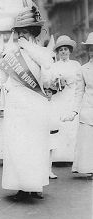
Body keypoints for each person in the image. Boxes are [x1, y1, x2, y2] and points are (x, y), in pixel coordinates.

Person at [0, 5, 54, 200]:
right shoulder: (10, 54)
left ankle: (35, 184)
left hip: (35, 102)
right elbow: (3, 80)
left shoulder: (42, 53)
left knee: (35, 145)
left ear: (33, 33)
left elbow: (47, 79)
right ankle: (20, 186)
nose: (21, 36)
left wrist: (31, 51)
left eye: (26, 32)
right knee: (18, 144)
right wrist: (4, 88)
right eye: (19, 32)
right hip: (16, 103)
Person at [63, 32, 93, 178]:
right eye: (90, 48)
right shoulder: (83, 69)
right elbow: (79, 93)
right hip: (88, 111)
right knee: (87, 143)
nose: (92, 51)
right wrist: (74, 112)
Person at [50, 35, 81, 165]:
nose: (63, 52)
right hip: (59, 98)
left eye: (66, 49)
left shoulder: (76, 64)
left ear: (70, 51)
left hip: (71, 96)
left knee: (72, 126)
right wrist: (56, 83)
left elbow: (79, 83)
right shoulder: (54, 66)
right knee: (60, 124)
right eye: (61, 50)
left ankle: (71, 157)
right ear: (58, 52)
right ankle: (58, 157)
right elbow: (50, 83)